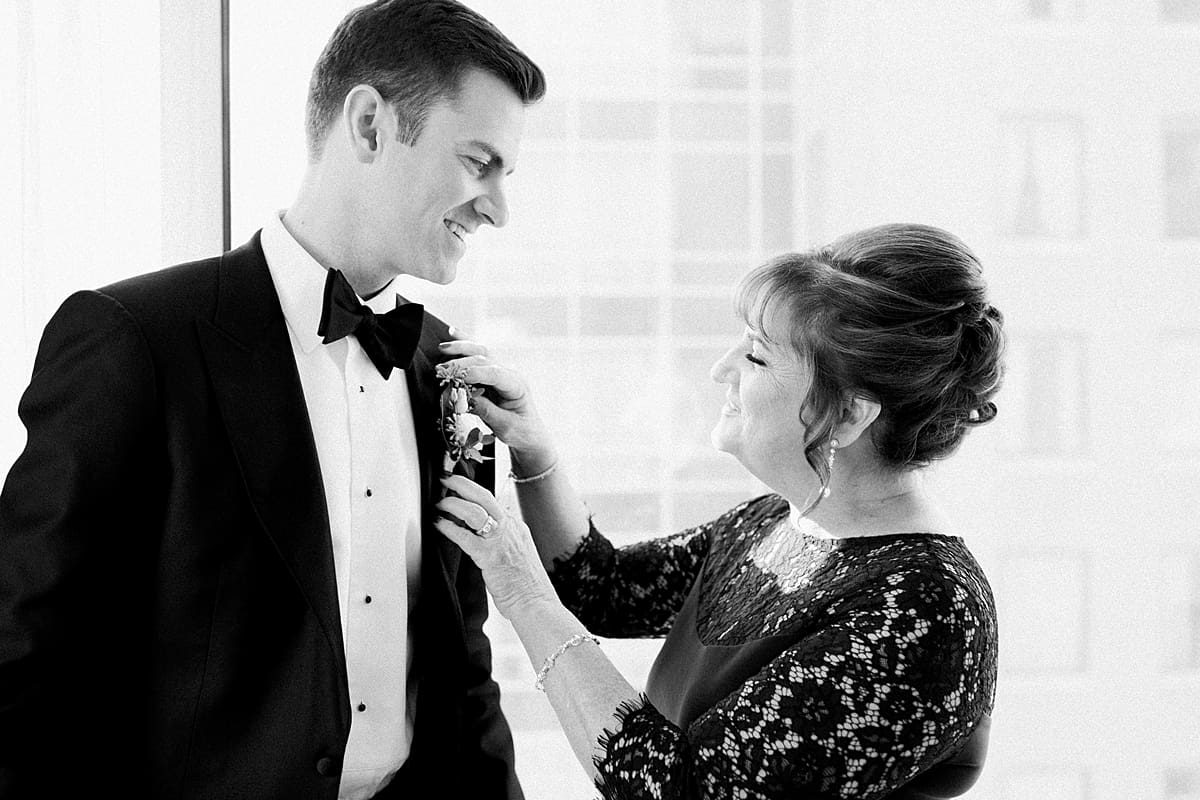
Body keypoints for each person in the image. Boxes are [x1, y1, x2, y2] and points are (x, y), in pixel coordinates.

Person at [0, 2, 543, 798]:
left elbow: (462, 665)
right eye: (477, 162)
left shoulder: (444, 369)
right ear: (368, 126)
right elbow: (25, 661)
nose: (497, 207)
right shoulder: (132, 340)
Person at [435, 223, 1003, 799]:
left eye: (757, 357)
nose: (722, 368)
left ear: (849, 416)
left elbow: (683, 789)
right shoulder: (772, 524)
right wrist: (533, 448)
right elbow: (601, 589)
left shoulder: (927, 608)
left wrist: (522, 593)